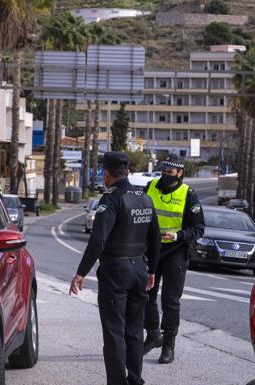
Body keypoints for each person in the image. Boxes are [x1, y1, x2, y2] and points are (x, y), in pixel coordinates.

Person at [70, 152, 161, 385]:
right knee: (134, 330)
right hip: (140, 269)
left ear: (106, 173)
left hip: (116, 271)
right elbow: (155, 239)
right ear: (128, 171)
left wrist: (81, 272)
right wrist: (151, 271)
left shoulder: (111, 199)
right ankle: (135, 380)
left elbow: (98, 240)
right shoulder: (145, 198)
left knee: (114, 332)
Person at [143, 159, 205, 364]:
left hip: (175, 252)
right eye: (163, 170)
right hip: (151, 250)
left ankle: (169, 344)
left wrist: (179, 235)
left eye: (169, 171)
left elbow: (198, 229)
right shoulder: (150, 187)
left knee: (170, 300)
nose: (165, 174)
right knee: (144, 294)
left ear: (179, 172)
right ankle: (153, 334)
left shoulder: (189, 194)